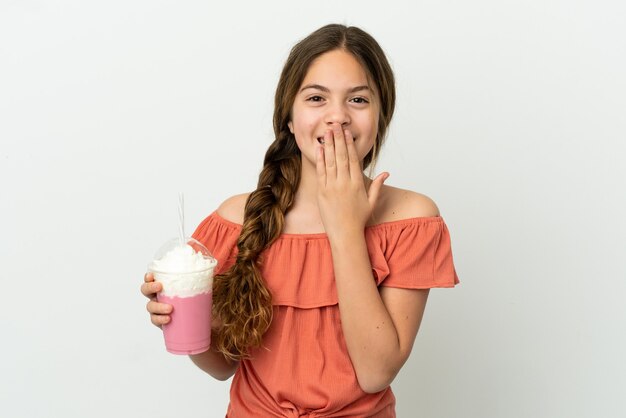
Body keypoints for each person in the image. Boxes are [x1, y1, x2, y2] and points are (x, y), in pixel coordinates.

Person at [141, 23, 459, 417]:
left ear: (380, 118)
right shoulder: (234, 221)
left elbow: (376, 372)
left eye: (358, 100)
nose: (337, 117)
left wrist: (344, 225)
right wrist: (182, 324)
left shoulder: (412, 220)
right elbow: (223, 366)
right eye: (316, 98)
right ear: (289, 117)